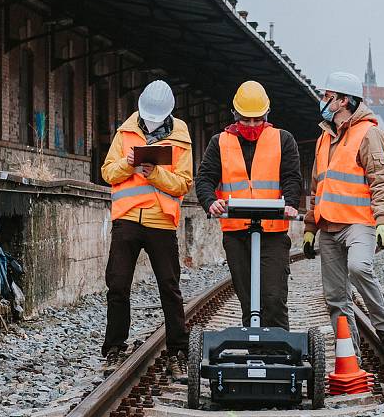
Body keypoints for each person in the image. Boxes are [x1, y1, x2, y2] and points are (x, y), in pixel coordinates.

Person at [303, 71, 384, 355]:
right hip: (328, 226)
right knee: (336, 297)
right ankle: (349, 353)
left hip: (359, 223)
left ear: (344, 101)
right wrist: (310, 228)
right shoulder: (324, 138)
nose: (323, 101)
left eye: (328, 96)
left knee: (359, 267)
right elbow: (317, 187)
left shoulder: (368, 132)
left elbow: (381, 179)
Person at [101, 80, 193, 377]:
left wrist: (154, 175)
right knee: (117, 286)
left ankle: (178, 352)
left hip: (161, 222)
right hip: (126, 219)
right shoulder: (125, 132)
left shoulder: (180, 138)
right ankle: (114, 349)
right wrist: (128, 165)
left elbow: (183, 183)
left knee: (170, 287)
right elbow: (107, 173)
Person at [195, 80, 302, 330]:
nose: (252, 125)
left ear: (266, 114)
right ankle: (254, 351)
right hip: (236, 231)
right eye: (245, 119)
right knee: (248, 299)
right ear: (235, 115)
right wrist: (210, 202)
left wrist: (290, 203)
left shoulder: (283, 139)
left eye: (257, 119)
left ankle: (277, 352)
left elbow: (291, 177)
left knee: (273, 297)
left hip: (272, 231)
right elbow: (205, 178)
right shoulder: (219, 142)